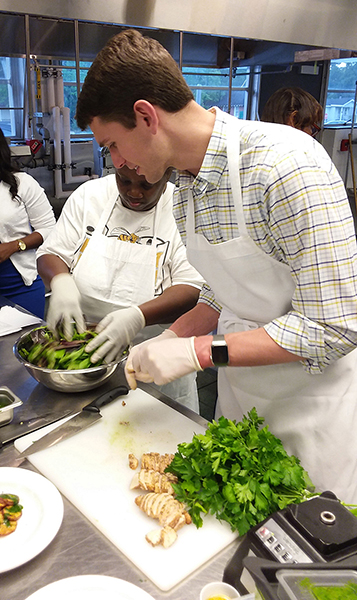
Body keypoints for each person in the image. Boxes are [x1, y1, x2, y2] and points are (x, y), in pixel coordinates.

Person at [75, 28, 357, 503]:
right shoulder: (184, 183)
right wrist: (173, 334)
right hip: (241, 408)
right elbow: (223, 289)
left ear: (146, 116)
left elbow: (335, 327)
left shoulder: (285, 164)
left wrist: (198, 353)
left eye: (112, 145)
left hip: (311, 412)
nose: (116, 162)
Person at [37, 164, 204, 411]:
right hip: (81, 355)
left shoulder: (184, 210)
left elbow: (190, 287)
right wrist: (60, 281)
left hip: (154, 360)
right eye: (124, 181)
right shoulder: (90, 196)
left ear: (167, 175)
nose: (134, 192)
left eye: (147, 185)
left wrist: (137, 317)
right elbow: (51, 252)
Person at [0, 127, 55, 318]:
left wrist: (15, 246)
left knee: (23, 343)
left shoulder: (22, 183)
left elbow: (49, 229)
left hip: (20, 286)